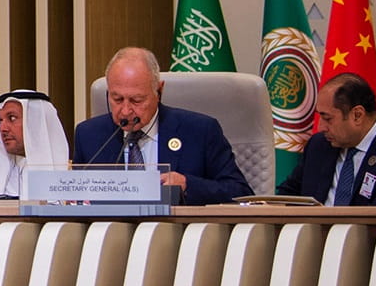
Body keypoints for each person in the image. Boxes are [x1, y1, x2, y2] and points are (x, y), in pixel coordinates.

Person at [71, 47, 251, 205]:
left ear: (159, 90)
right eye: (117, 99)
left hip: (177, 232)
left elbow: (241, 193)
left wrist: (187, 185)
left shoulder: (200, 131)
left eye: (136, 100)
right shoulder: (89, 136)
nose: (125, 111)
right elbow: (74, 198)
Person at [276, 72, 376, 205]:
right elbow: (287, 196)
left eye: (328, 119)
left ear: (357, 115)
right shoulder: (319, 145)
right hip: (313, 232)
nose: (321, 127)